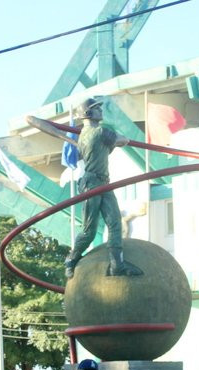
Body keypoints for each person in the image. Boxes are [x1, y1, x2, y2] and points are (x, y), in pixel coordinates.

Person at [64, 97, 143, 279]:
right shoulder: (100, 132)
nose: (101, 111)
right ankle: (71, 259)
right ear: (88, 113)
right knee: (89, 230)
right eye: (97, 108)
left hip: (103, 183)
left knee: (115, 222)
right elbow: (123, 140)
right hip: (92, 183)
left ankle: (117, 264)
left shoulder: (84, 135)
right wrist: (119, 140)